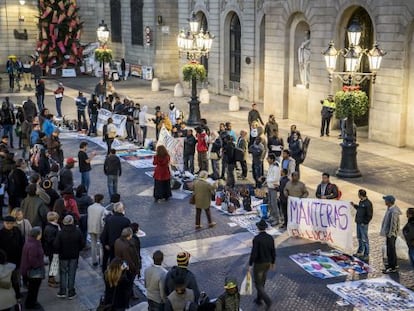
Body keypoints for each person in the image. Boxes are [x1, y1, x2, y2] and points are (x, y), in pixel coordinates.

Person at [54, 215, 85, 299]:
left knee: (63, 273)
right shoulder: (77, 231)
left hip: (63, 256)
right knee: (72, 273)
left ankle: (62, 291)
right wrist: (78, 249)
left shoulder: (60, 233)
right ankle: (71, 291)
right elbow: (82, 243)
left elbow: (56, 245)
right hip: (74, 255)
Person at [248, 219, 275, 310]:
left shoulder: (256, 239)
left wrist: (250, 264)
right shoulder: (270, 238)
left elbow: (254, 253)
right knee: (262, 281)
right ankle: (259, 299)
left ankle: (267, 300)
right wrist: (273, 262)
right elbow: (273, 251)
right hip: (267, 263)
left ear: (258, 228)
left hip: (259, 264)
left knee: (257, 284)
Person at [100, 202, 131, 274]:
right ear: (122, 209)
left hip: (110, 244)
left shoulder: (109, 220)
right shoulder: (126, 221)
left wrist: (105, 243)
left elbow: (105, 233)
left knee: (108, 259)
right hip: (121, 245)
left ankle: (106, 272)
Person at [0, 215, 24, 301]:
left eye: (11, 223)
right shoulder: (1, 233)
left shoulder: (17, 231)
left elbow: (22, 243)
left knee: (15, 279)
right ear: (4, 223)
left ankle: (17, 295)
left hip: (17, 259)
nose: (9, 225)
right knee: (6, 280)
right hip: (6, 261)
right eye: (7, 223)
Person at [20, 227, 44, 310]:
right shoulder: (34, 245)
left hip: (28, 270)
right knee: (34, 289)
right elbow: (32, 260)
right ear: (37, 234)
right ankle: (31, 304)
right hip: (33, 271)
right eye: (40, 233)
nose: (41, 235)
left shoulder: (30, 242)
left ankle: (31, 303)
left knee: (32, 289)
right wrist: (38, 266)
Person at [114, 227, 140, 297]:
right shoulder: (127, 246)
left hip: (120, 265)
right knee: (129, 284)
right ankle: (127, 298)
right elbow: (129, 260)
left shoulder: (117, 241)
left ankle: (130, 294)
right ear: (129, 235)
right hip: (127, 269)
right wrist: (135, 269)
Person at [380, 195, 402, 274]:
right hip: (389, 234)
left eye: (385, 200)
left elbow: (394, 224)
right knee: (390, 250)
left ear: (389, 202)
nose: (384, 201)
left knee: (391, 250)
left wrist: (390, 234)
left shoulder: (393, 211)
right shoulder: (390, 209)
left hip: (391, 235)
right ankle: (392, 264)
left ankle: (392, 267)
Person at [350, 189, 373, 261]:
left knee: (364, 239)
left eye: (358, 194)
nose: (358, 195)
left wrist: (365, 222)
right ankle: (360, 252)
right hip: (358, 222)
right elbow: (360, 209)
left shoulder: (368, 204)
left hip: (363, 224)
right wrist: (354, 205)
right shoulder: (361, 201)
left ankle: (366, 254)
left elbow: (369, 215)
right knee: (359, 238)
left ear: (361, 195)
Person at [261, 154, 281, 227]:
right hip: (269, 187)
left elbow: (275, 178)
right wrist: (265, 181)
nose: (267, 160)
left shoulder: (276, 167)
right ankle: (272, 216)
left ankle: (277, 219)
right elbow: (269, 175)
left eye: (268, 159)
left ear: (272, 159)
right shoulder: (271, 166)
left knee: (274, 203)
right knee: (270, 202)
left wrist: (268, 180)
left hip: (274, 188)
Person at [42, 211, 60, 288]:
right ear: (55, 219)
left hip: (52, 250)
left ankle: (52, 279)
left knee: (54, 264)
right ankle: (51, 280)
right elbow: (51, 241)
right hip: (52, 250)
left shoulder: (50, 226)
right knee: (53, 265)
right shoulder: (51, 228)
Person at [87, 193, 105, 266]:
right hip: (99, 228)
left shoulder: (90, 207)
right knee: (101, 245)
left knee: (93, 244)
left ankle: (94, 260)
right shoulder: (102, 209)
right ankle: (101, 261)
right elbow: (102, 220)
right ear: (100, 200)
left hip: (91, 227)